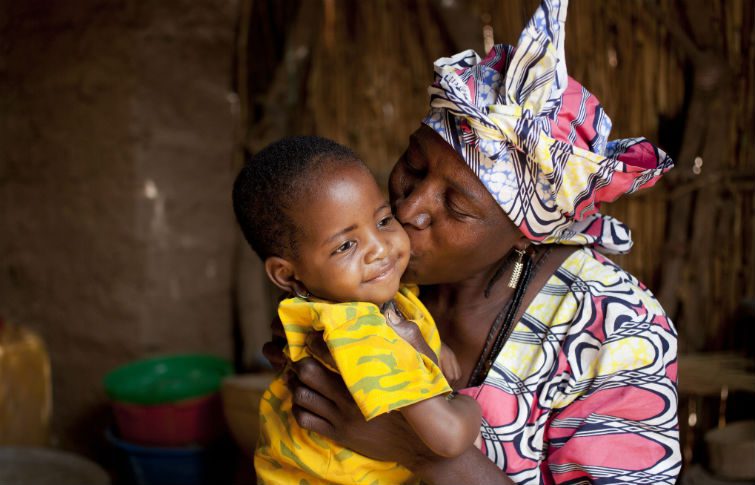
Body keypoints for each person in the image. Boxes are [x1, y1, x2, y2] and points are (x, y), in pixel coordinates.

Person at [265, 0, 682, 483]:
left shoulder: (615, 332)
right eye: (414, 167)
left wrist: (423, 453)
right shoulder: (375, 274)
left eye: (457, 208)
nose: (406, 210)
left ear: (528, 232)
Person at [232, 136, 482, 484]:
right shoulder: (358, 333)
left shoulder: (350, 300)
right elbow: (450, 437)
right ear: (287, 274)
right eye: (346, 245)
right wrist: (470, 405)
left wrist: (434, 348)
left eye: (382, 221)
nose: (380, 249)